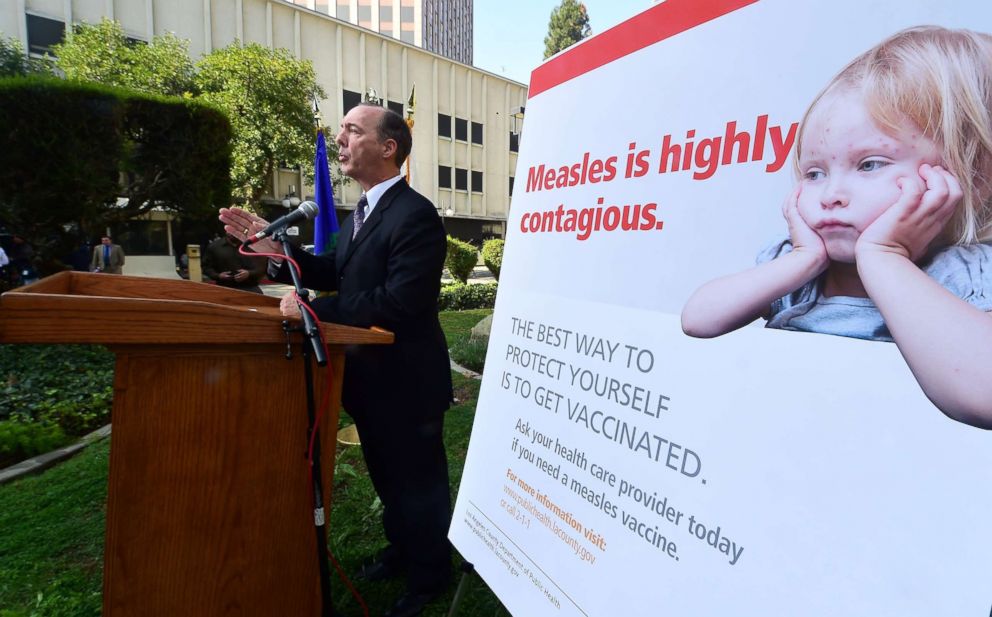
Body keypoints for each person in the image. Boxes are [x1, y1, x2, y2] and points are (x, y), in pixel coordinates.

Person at [681, 26, 992, 429]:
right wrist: (802, 259)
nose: (831, 194)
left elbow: (982, 391)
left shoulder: (968, 274)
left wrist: (883, 258)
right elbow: (698, 319)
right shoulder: (801, 271)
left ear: (973, 175)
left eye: (869, 164)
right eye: (814, 173)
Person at [220, 103, 453, 617]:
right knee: (389, 479)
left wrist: (311, 308)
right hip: (370, 379)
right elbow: (335, 272)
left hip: (407, 382)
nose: (339, 139)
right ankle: (404, 549)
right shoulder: (363, 211)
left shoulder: (415, 215)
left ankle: (432, 573)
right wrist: (278, 247)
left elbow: (400, 302)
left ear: (388, 147)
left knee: (419, 484)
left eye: (352, 130)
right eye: (341, 130)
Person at [202, 232, 267, 293]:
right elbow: (206, 267)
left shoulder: (253, 246)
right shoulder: (214, 247)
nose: (232, 233)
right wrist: (218, 276)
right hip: (224, 287)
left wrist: (249, 273)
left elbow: (263, 266)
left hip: (250, 287)